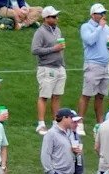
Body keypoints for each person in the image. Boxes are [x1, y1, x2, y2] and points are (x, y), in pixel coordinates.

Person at [32, 7, 67, 135]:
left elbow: (59, 49)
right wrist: (54, 48)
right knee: (44, 96)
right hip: (46, 68)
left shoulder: (57, 30)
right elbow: (35, 50)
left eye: (56, 16)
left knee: (57, 96)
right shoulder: (40, 32)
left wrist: (62, 65)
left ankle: (55, 123)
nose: (56, 18)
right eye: (53, 16)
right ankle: (41, 124)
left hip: (59, 67)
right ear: (46, 18)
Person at [78, 3, 109, 125]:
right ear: (93, 15)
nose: (103, 15)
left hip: (106, 66)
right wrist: (99, 28)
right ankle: (80, 122)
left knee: (101, 96)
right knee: (86, 95)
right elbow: (90, 41)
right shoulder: (86, 27)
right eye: (100, 13)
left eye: (104, 13)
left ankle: (100, 122)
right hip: (93, 65)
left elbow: (108, 44)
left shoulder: (107, 28)